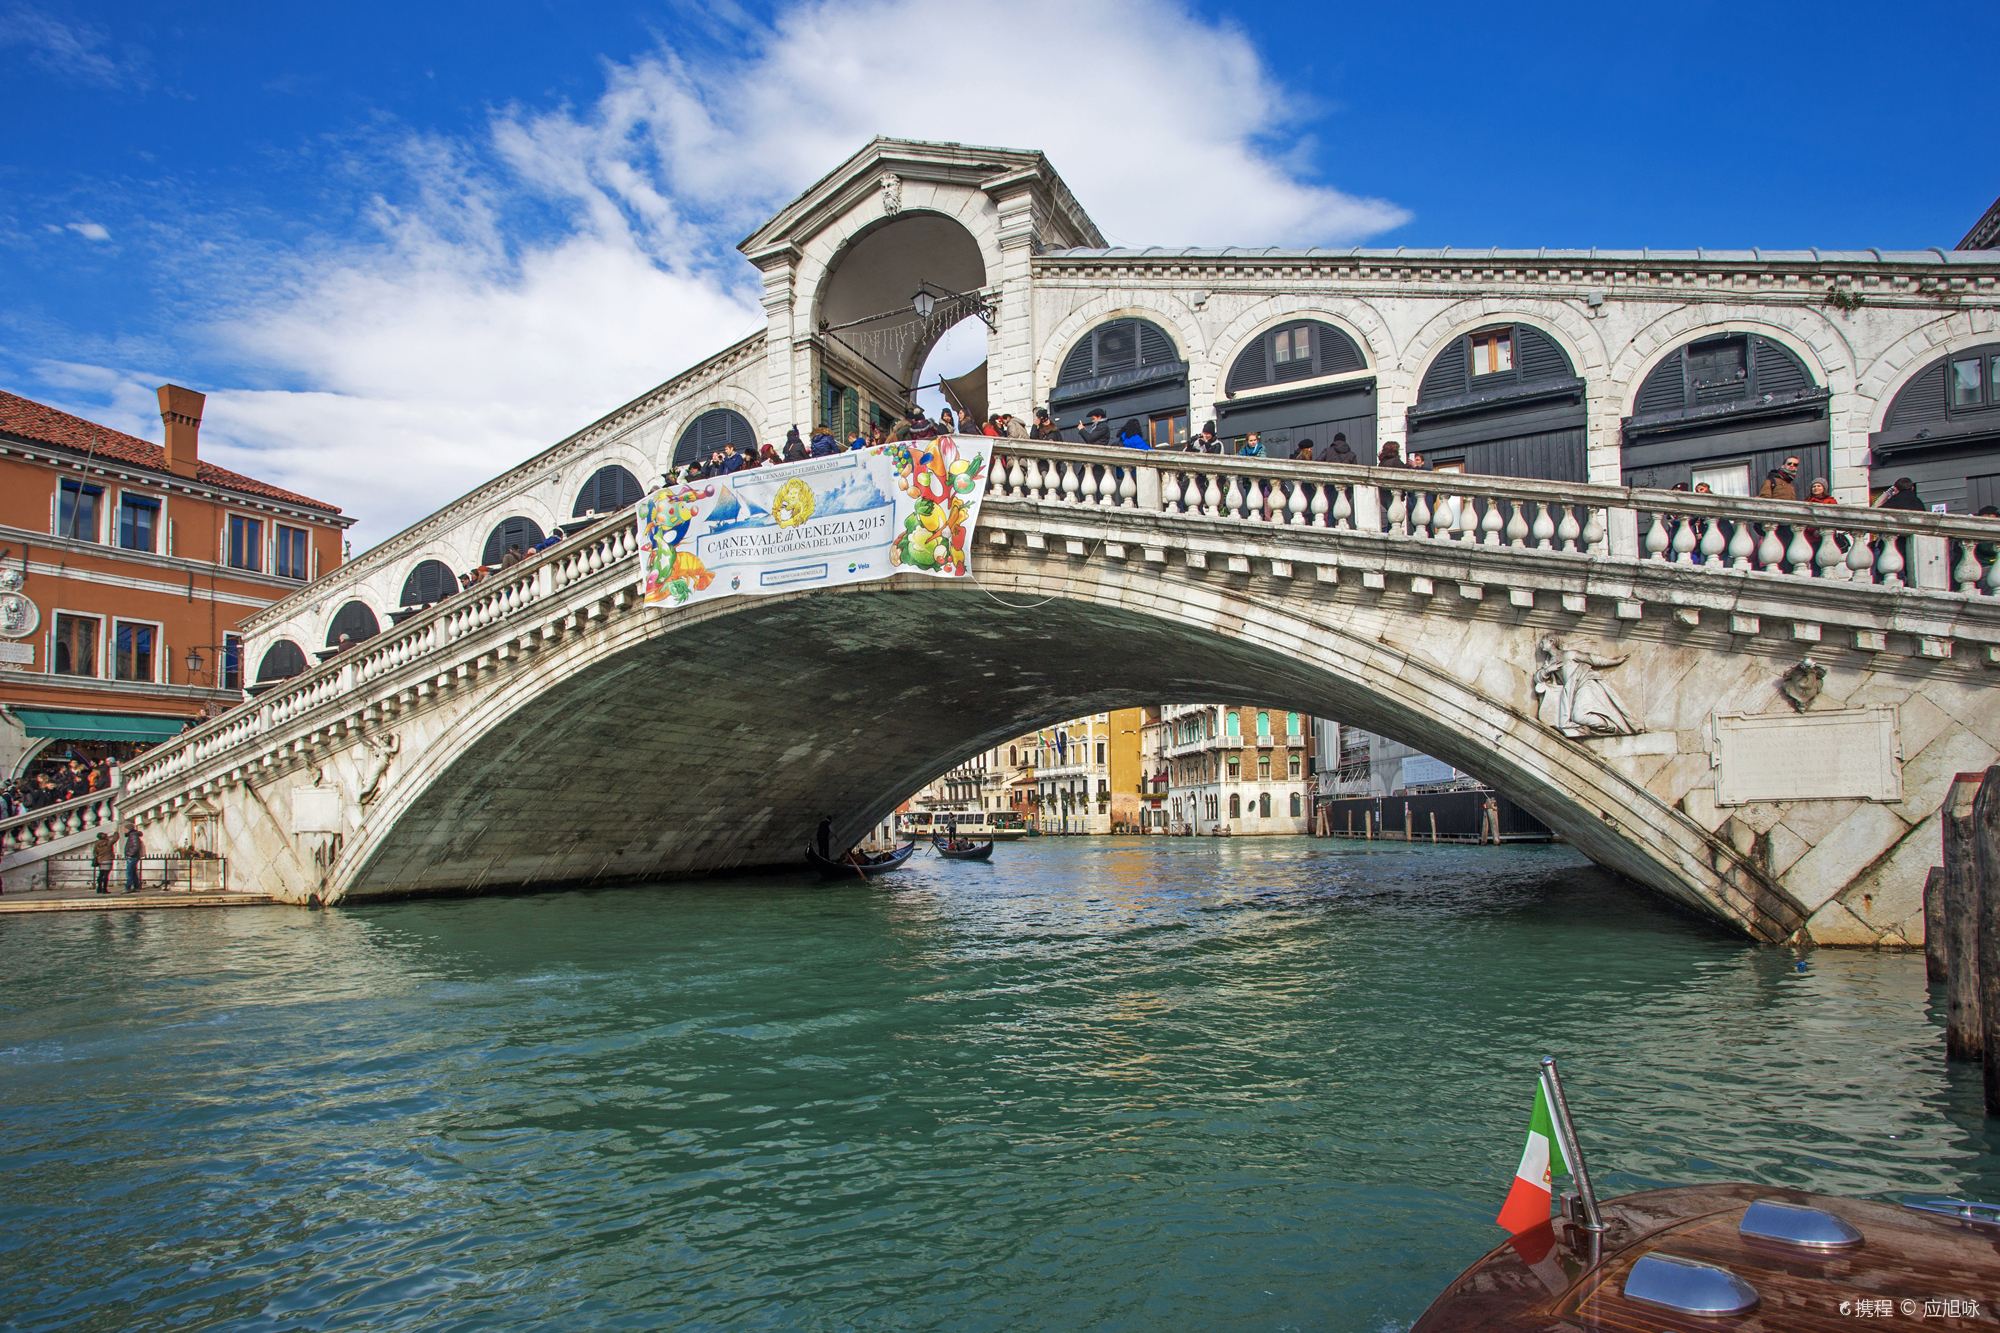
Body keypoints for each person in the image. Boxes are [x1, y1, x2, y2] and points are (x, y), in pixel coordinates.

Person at [122, 820, 143, 894]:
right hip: (133, 856)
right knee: (133, 872)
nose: (124, 830)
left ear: (128, 829)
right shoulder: (133, 835)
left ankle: (128, 887)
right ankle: (136, 886)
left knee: (129, 872)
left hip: (132, 857)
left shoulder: (133, 835)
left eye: (125, 829)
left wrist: (130, 854)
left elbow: (136, 846)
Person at [91, 829, 114, 894]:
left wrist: (98, 857)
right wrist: (116, 832)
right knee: (106, 875)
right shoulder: (108, 843)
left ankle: (99, 888)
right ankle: (104, 889)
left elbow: (95, 852)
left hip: (100, 860)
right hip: (108, 859)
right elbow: (115, 839)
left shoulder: (97, 844)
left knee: (101, 874)